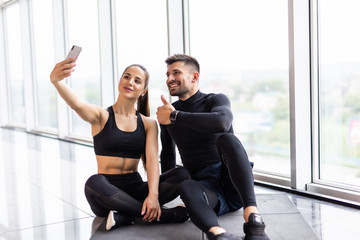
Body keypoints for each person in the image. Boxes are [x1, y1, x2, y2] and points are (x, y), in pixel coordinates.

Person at [50, 57, 190, 231]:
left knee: (182, 174)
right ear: (120, 81)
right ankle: (161, 216)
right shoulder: (101, 116)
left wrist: (153, 196)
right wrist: (56, 81)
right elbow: (77, 104)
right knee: (93, 182)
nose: (130, 82)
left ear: (143, 91)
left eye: (137, 81)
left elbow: (153, 160)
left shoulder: (148, 123)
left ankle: (125, 215)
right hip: (106, 193)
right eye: (126, 77)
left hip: (137, 188)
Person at [157, 54, 270, 240]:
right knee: (185, 185)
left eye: (176, 73)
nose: (169, 79)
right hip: (207, 190)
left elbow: (222, 122)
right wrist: (167, 193)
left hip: (234, 181)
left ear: (194, 77)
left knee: (228, 140)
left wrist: (175, 116)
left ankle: (254, 221)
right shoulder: (168, 112)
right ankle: (219, 235)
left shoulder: (214, 100)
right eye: (167, 74)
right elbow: (167, 155)